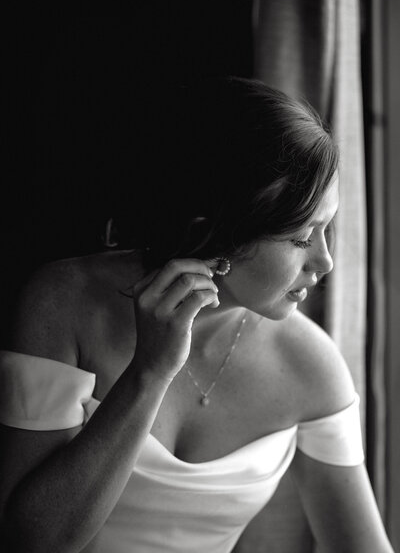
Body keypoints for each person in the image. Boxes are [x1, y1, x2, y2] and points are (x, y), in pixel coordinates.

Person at [0, 77, 394, 553]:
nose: (324, 261)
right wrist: (149, 373)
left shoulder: (310, 363)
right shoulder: (64, 304)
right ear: (215, 234)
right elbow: (31, 543)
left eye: (326, 229)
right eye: (300, 237)